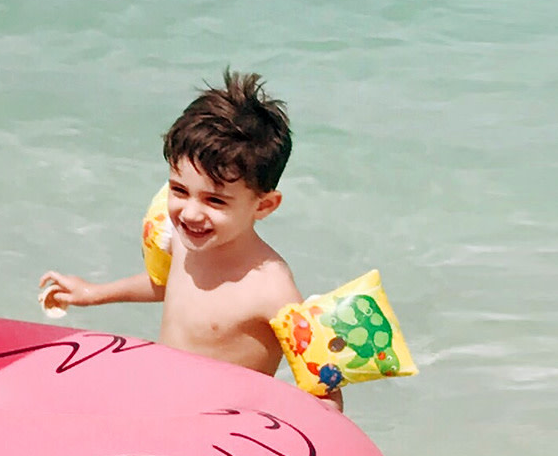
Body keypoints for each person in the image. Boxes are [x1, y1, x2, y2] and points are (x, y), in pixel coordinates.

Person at [38, 71, 340, 408]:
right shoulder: (183, 241)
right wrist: (94, 293)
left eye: (215, 201)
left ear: (264, 205)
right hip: (162, 404)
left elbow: (323, 385)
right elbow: (168, 285)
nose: (191, 214)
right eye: (180, 191)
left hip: (216, 434)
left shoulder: (271, 290)